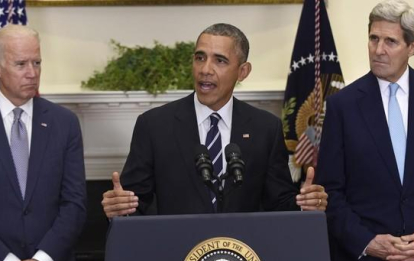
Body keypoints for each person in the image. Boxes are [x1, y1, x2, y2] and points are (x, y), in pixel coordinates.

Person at [102, 23, 327, 218]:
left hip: (243, 256)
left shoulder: (266, 128)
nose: (205, 69)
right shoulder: (154, 125)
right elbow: (133, 203)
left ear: (243, 72)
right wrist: (119, 208)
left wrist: (304, 206)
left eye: (219, 60)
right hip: (175, 255)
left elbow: (278, 204)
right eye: (200, 58)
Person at [316, 0, 414, 261]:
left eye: (390, 42)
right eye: (373, 38)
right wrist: (366, 242)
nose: (378, 50)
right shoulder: (342, 106)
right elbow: (330, 192)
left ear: (411, 47)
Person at [0, 25, 87, 261]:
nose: (32, 73)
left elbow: (75, 204)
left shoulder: (64, 123)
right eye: (21, 64)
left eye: (37, 62)